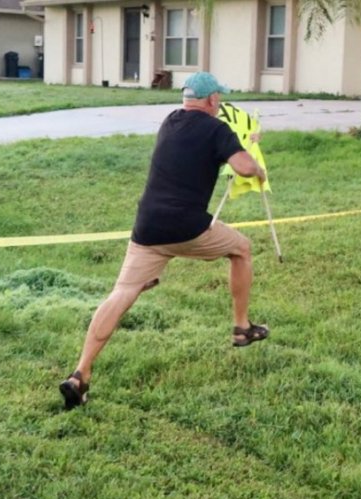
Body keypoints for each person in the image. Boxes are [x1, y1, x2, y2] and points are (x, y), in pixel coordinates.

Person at [59, 72, 269, 410]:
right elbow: (243, 167)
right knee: (241, 248)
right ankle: (241, 328)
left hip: (148, 228)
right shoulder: (216, 128)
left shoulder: (169, 122)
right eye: (220, 98)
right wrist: (258, 168)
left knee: (121, 294)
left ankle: (79, 374)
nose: (221, 103)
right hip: (188, 227)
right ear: (213, 100)